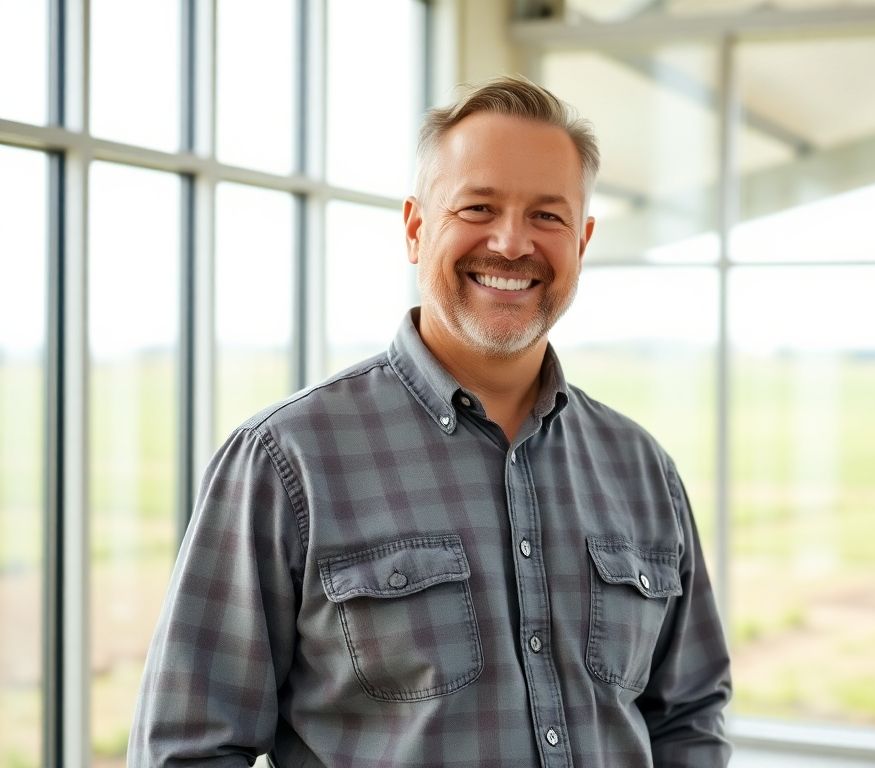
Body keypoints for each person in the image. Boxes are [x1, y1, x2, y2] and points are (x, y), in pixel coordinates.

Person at [128, 76, 732, 767]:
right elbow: (188, 747)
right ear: (417, 229)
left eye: (548, 216)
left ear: (582, 241)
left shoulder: (641, 468)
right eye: (478, 207)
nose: (511, 244)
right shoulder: (285, 460)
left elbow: (688, 718)